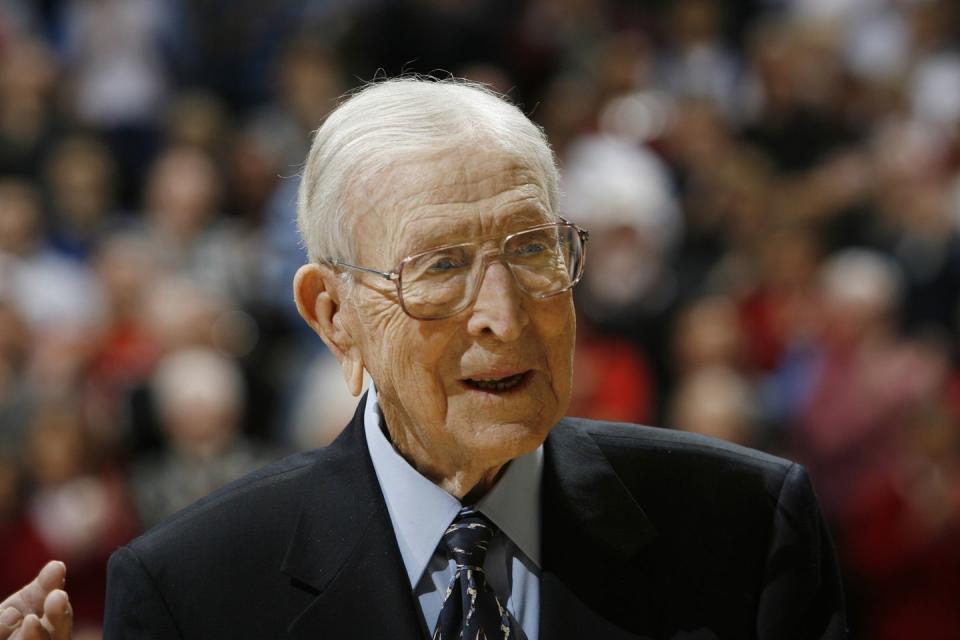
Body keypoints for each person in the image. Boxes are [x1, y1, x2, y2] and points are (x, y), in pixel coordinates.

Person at [1, 76, 836, 639]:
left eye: (533, 251)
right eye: (439, 268)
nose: (504, 319)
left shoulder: (747, 524)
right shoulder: (195, 592)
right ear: (334, 316)